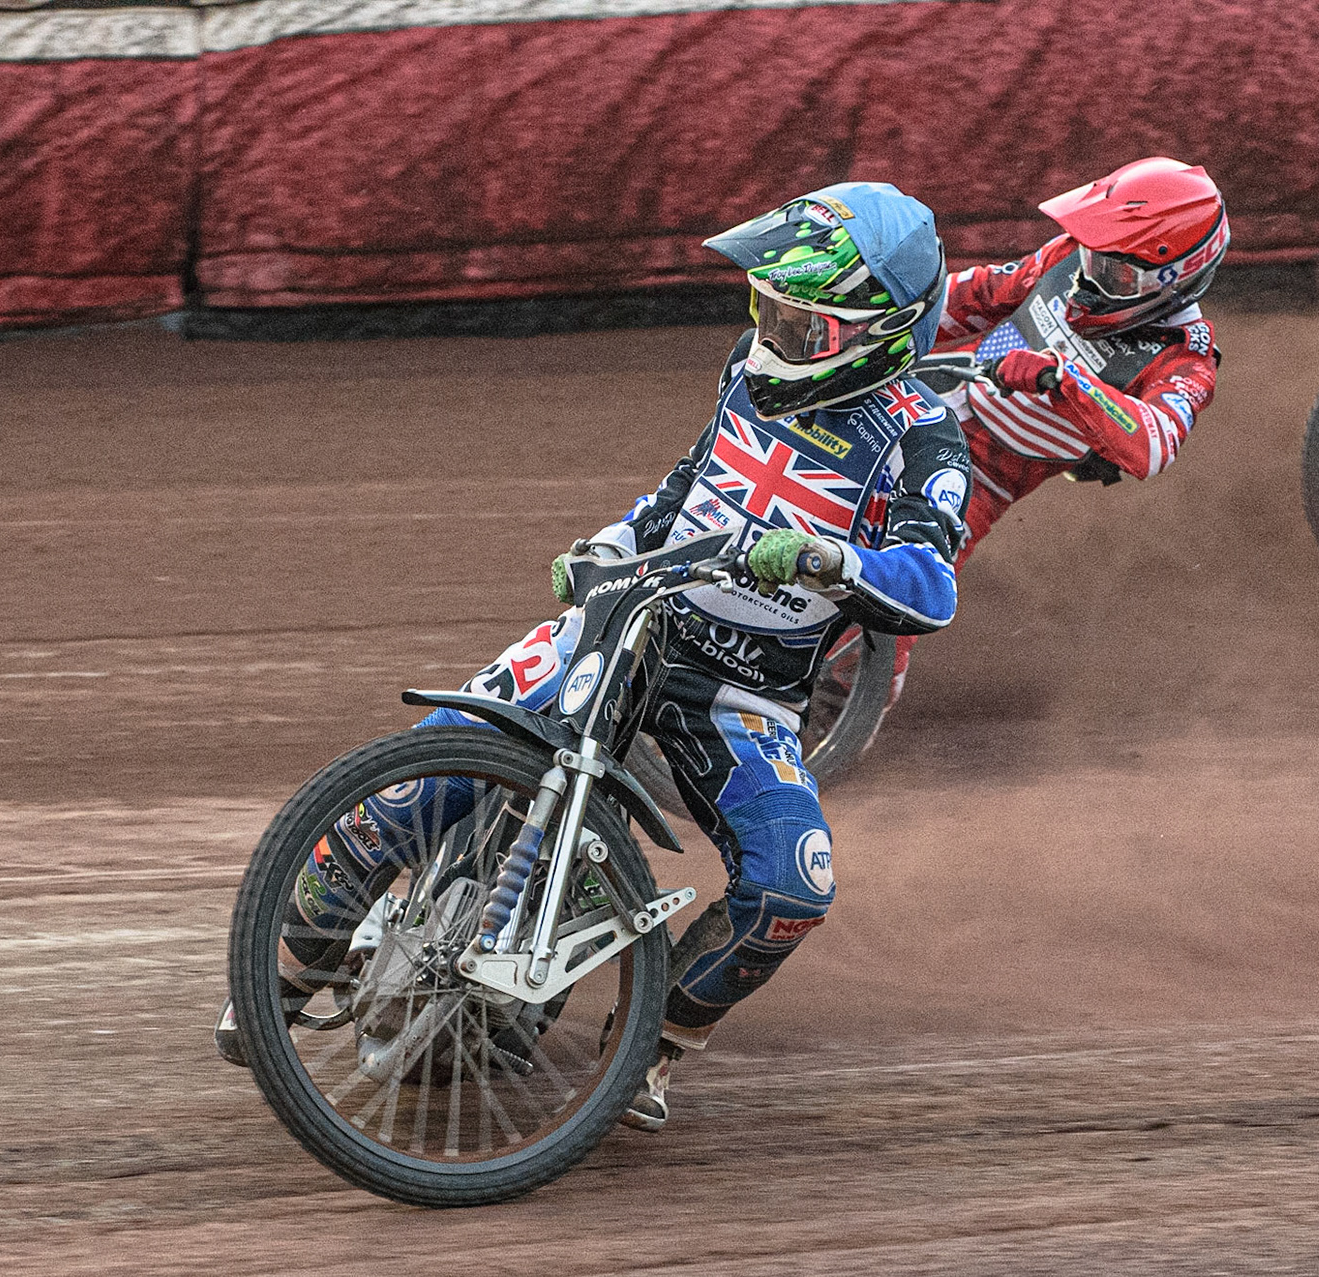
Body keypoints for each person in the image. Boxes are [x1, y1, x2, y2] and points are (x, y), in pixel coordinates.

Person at [216, 182, 971, 1134]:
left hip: (742, 697)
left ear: (883, 335)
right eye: (768, 307)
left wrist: (830, 558)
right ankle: (285, 974)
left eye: (804, 323)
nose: (776, 330)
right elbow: (690, 480)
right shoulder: (750, 365)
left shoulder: (920, 436)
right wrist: (613, 542)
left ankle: (650, 1050)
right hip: (631, 619)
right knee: (433, 763)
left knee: (795, 883)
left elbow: (931, 586)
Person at [886, 156, 1228, 692]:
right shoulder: (1074, 257)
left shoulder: (1185, 356)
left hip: (982, 479)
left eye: (1113, 271)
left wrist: (1060, 381)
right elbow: (980, 296)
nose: (1088, 276)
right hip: (923, 399)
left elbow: (1154, 445)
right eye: (1092, 254)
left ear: (1169, 280)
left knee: (898, 604)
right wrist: (884, 319)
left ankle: (821, 726)